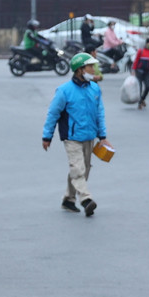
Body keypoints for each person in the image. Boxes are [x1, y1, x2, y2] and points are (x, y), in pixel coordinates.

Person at [41, 52, 112, 217]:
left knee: (84, 169)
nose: (94, 69)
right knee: (77, 168)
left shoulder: (95, 88)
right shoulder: (64, 91)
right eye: (90, 66)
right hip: (71, 138)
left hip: (89, 136)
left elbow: (99, 113)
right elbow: (53, 114)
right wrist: (47, 136)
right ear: (80, 70)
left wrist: (102, 137)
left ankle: (68, 199)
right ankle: (86, 199)